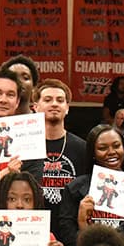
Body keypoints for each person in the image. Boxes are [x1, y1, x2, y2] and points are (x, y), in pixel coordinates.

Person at [58, 124, 124, 246]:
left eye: (116, 146)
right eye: (103, 148)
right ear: (93, 153)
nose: (111, 152)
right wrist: (83, 224)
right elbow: (69, 242)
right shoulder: (75, 189)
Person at [32, 79, 89, 211]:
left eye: (60, 100)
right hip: (34, 219)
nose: (54, 104)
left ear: (67, 108)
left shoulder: (83, 148)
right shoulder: (25, 146)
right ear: (35, 107)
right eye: (47, 100)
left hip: (70, 220)